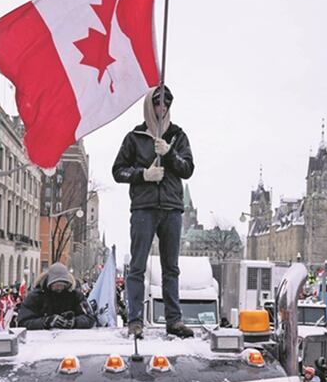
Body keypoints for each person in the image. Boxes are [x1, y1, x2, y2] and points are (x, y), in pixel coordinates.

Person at [111, 85, 195, 339]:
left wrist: (169, 155)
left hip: (171, 208)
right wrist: (143, 175)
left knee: (171, 267)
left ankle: (174, 320)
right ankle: (135, 321)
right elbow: (118, 171)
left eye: (167, 103)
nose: (163, 108)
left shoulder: (178, 136)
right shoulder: (134, 137)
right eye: (158, 103)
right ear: (150, 105)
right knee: (137, 267)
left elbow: (187, 169)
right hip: (144, 208)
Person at [16, 263, 95, 330]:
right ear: (49, 284)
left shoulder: (76, 296)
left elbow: (90, 318)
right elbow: (23, 322)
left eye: (62, 285)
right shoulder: (36, 297)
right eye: (56, 285)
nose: (59, 288)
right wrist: (46, 322)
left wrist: (74, 322)